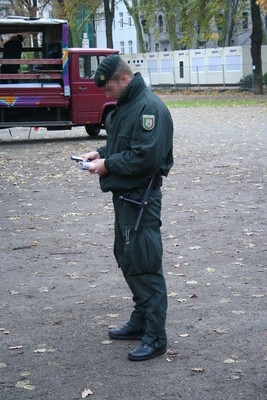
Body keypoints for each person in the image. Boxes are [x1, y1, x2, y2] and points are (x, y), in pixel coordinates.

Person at [80, 54, 173, 361]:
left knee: (145, 264)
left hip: (142, 198)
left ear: (122, 78)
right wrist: (100, 152)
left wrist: (107, 164)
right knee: (127, 256)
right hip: (127, 198)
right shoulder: (129, 105)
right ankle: (141, 319)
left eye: (108, 88)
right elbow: (124, 143)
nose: (106, 95)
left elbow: (144, 157)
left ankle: (156, 336)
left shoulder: (149, 108)